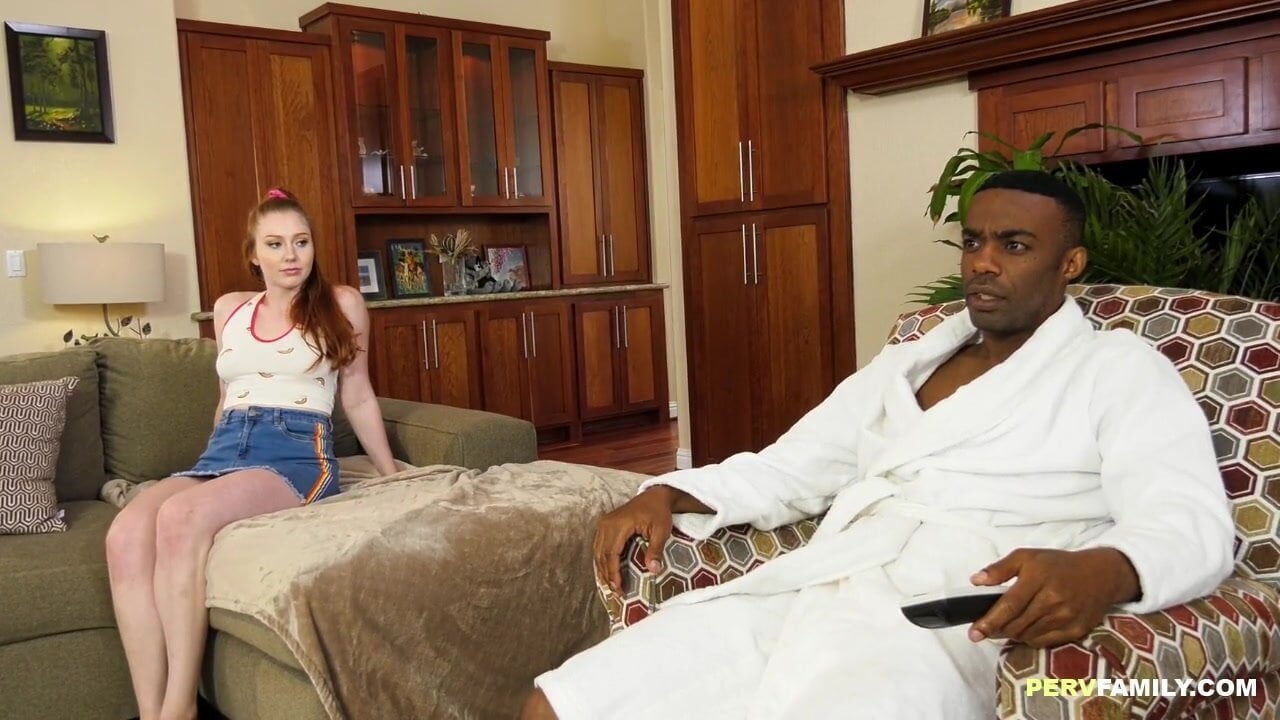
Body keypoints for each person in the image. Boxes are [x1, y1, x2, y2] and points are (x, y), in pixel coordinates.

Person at [524, 171, 1235, 719]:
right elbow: (793, 467)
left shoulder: (1117, 368)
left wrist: (1105, 571)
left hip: (940, 618)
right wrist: (669, 490)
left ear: (1070, 263)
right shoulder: (910, 362)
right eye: (974, 242)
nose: (983, 263)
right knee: (564, 702)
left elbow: (1187, 519)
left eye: (1014, 245)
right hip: (820, 583)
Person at [105, 187, 399, 720]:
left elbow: (357, 394)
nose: (291, 256)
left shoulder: (341, 304)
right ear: (254, 254)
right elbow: (226, 400)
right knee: (125, 533)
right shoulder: (229, 310)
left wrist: (389, 470)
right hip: (227, 445)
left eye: (301, 242)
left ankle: (180, 708)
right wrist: (208, 471)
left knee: (181, 517)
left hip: (296, 452)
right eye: (275, 244)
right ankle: (152, 711)